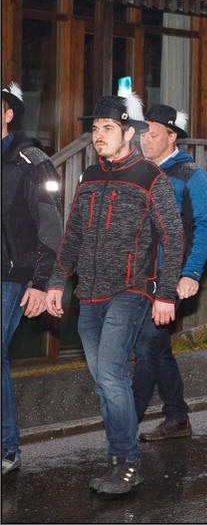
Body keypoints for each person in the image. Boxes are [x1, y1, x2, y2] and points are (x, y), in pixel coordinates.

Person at [46, 93, 184, 495]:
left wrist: (166, 293)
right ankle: (116, 460)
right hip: (88, 294)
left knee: (110, 372)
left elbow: (173, 237)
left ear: (129, 133)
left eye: (108, 128)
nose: (99, 135)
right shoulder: (90, 176)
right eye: (95, 129)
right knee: (105, 382)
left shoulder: (150, 177)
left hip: (131, 290)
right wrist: (56, 280)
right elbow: (73, 234)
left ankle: (126, 462)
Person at [132, 105, 207, 441]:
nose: (145, 140)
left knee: (147, 344)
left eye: (152, 134)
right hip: (137, 277)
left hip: (170, 277)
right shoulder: (137, 170)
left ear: (172, 136)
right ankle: (177, 417)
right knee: (158, 346)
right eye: (142, 134)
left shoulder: (190, 174)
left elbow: (205, 227)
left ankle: (126, 420)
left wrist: (191, 273)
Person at [1, 82, 63, 476]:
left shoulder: (31, 160)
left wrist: (42, 282)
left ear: (8, 113)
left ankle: (8, 447)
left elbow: (52, 225)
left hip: (13, 276)